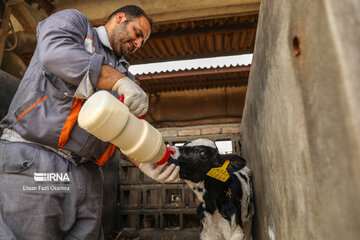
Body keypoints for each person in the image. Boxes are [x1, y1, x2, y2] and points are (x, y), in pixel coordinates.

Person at [0, 5, 180, 240]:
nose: (137, 43)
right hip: (39, 160)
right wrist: (117, 81)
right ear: (120, 18)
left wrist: (144, 160)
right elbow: (55, 53)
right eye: (137, 33)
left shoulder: (125, 74)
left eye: (142, 42)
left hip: (88, 174)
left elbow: (124, 129)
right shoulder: (75, 23)